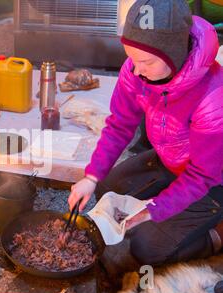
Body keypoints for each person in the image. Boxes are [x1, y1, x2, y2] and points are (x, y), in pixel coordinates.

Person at [68, 0, 223, 267]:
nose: (136, 70)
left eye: (147, 62)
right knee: (106, 188)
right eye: (131, 58)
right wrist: (91, 177)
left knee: (145, 248)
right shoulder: (136, 71)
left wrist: (152, 211)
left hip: (211, 183)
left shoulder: (212, 97)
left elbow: (201, 176)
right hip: (171, 160)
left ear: (173, 54)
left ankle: (217, 234)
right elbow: (119, 125)